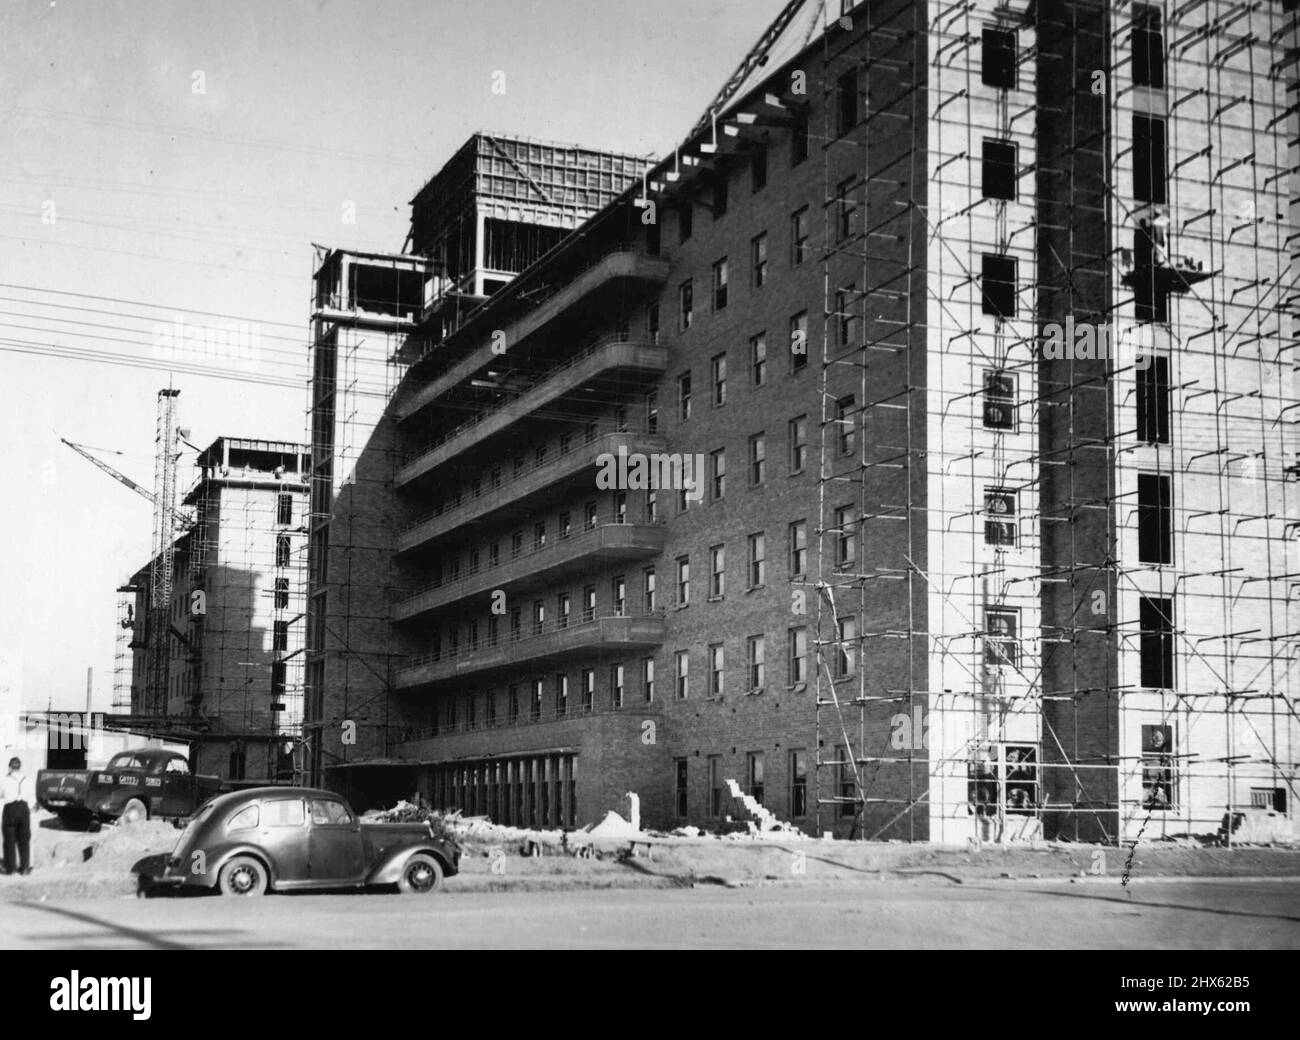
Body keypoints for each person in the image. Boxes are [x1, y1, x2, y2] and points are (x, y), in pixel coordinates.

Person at [2, 756, 32, 875]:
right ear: (19, 767)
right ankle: (24, 868)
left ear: (10, 767)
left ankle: (11, 868)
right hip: (24, 808)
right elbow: (30, 795)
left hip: (10, 809)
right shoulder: (28, 779)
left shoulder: (5, 779)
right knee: (24, 839)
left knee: (9, 839)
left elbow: (1, 793)